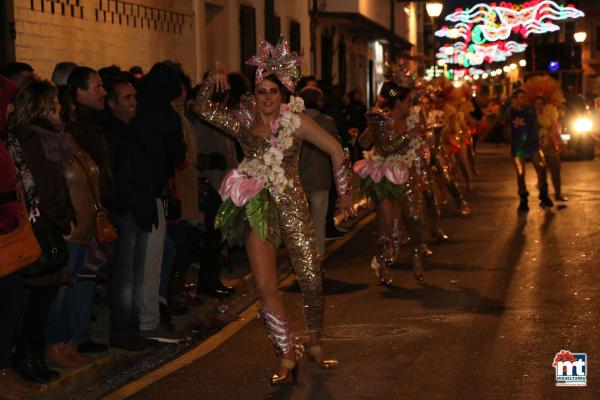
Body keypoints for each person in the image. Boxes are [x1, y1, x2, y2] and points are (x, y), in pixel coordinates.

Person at [194, 37, 354, 385]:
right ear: (253, 94)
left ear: (284, 95)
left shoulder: (295, 122)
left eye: (273, 92)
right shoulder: (243, 121)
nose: (267, 98)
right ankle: (286, 355)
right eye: (261, 91)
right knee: (266, 286)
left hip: (292, 204)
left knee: (310, 276)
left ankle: (314, 337)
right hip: (257, 208)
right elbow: (202, 109)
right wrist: (213, 78)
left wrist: (344, 194)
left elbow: (336, 150)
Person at [6, 80, 75, 383]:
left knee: (39, 298)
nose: (60, 108)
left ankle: (31, 353)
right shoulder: (40, 138)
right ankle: (28, 356)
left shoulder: (34, 136)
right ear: (43, 106)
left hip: (41, 224)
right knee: (39, 298)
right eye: (55, 103)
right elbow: (49, 185)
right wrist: (60, 218)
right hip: (42, 227)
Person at [102, 78, 159, 350]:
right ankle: (121, 331)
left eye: (134, 97)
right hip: (127, 211)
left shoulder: (133, 130)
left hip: (141, 209)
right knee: (124, 275)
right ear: (112, 104)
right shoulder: (111, 134)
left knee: (137, 273)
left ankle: (131, 327)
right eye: (126, 98)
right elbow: (116, 177)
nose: (133, 102)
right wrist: (124, 205)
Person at [355, 75, 428, 284]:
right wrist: (408, 136)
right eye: (408, 101)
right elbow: (381, 147)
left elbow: (419, 150)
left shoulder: (415, 118)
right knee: (386, 223)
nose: (411, 104)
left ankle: (416, 254)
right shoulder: (382, 119)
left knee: (414, 218)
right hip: (385, 175)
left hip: (409, 174)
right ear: (397, 102)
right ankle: (383, 264)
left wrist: (421, 173)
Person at [134, 62, 186, 343]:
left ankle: (140, 316)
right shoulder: (166, 115)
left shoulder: (137, 110)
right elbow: (178, 155)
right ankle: (149, 320)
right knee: (153, 258)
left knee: (135, 261)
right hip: (152, 194)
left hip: (133, 193)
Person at [65, 66, 111, 353]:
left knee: (88, 275)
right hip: (81, 218)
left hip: (95, 213)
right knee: (77, 277)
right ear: (80, 93)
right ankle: (72, 337)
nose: (103, 92)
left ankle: (79, 335)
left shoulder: (94, 124)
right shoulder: (75, 129)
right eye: (97, 87)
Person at [0, 83, 42, 396]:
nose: (11, 109)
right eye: (6, 103)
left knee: (13, 301)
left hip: (9, 236)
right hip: (3, 235)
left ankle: (4, 368)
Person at [299, 86, 342, 257]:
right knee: (318, 222)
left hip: (297, 179)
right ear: (319, 101)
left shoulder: (292, 120)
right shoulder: (326, 122)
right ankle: (317, 259)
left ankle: (303, 259)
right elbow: (337, 147)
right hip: (320, 179)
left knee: (300, 224)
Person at [506, 89, 553, 211]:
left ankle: (543, 193)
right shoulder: (510, 112)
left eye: (524, 97)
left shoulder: (530, 111)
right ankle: (523, 199)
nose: (523, 100)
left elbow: (536, 125)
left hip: (532, 145)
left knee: (542, 167)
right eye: (520, 97)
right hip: (518, 148)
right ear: (516, 99)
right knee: (520, 174)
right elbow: (502, 118)